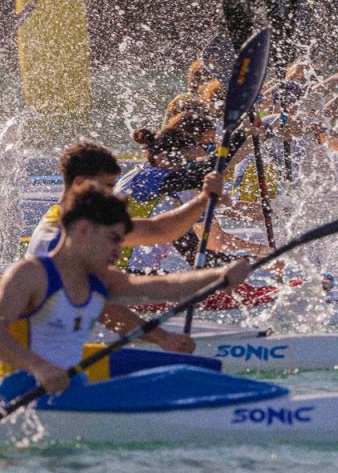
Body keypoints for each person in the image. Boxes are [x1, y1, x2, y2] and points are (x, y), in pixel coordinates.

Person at [0, 186, 251, 395]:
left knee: (193, 372)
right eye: (113, 238)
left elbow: (165, 288)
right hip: (19, 389)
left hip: (71, 384)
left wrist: (220, 275)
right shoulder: (29, 275)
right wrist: (38, 367)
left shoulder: (101, 281)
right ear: (84, 230)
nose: (118, 251)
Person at [26, 140, 224, 354]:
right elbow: (104, 309)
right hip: (51, 351)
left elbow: (157, 230)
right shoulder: (58, 238)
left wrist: (203, 199)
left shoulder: (80, 223)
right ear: (79, 183)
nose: (113, 194)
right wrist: (163, 338)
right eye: (108, 186)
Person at [119, 114, 268, 274]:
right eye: (187, 163)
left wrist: (254, 261)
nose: (188, 169)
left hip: (138, 274)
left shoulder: (173, 196)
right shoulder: (145, 179)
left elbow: (195, 254)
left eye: (191, 165)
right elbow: (203, 172)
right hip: (118, 273)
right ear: (162, 158)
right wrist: (241, 133)